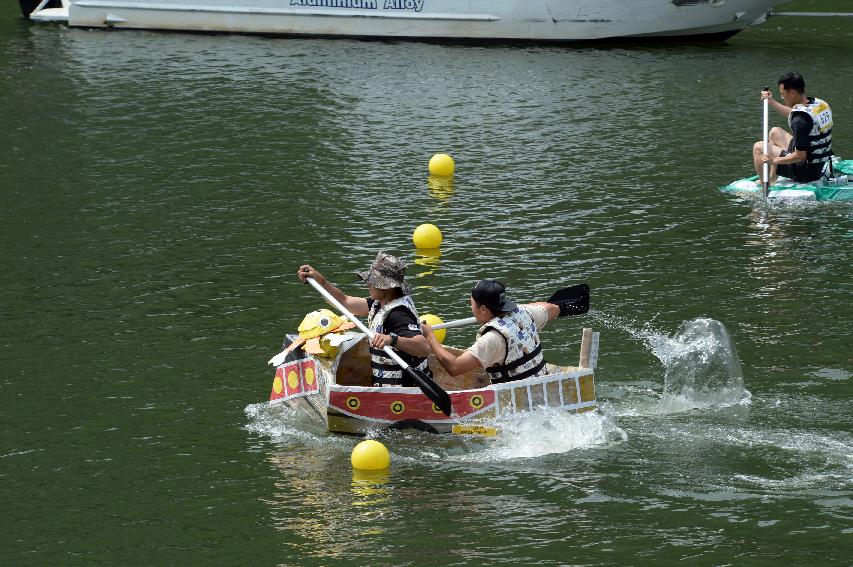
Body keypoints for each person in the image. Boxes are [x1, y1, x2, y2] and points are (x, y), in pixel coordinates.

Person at [297, 252, 433, 387]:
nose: (367, 284)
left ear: (386, 287)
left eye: (373, 282)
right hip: (387, 387)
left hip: (405, 391)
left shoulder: (397, 315)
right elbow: (345, 301)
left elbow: (423, 347)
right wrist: (320, 281)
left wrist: (392, 339)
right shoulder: (380, 303)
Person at [420, 279, 559, 383]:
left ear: (483, 309)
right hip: (540, 384)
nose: (471, 308)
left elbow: (454, 367)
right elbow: (552, 308)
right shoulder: (526, 313)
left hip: (517, 402)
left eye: (471, 304)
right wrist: (518, 309)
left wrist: (430, 336)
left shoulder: (493, 338)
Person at [753, 71, 833, 185]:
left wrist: (774, 160)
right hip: (819, 162)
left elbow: (800, 156)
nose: (782, 97)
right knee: (775, 132)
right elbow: (795, 114)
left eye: (783, 94)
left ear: (793, 93)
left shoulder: (799, 121)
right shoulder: (819, 105)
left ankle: (764, 183)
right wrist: (772, 101)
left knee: (758, 147)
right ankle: (773, 176)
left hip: (805, 170)